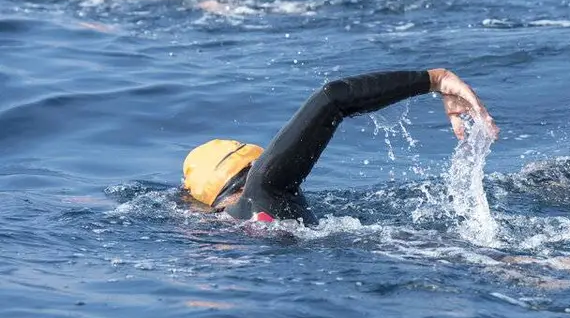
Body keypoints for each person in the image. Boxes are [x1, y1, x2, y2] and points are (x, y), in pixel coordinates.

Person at [181, 68, 498, 224]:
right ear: (256, 165)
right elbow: (332, 98)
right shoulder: (264, 187)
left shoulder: (225, 222)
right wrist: (435, 79)